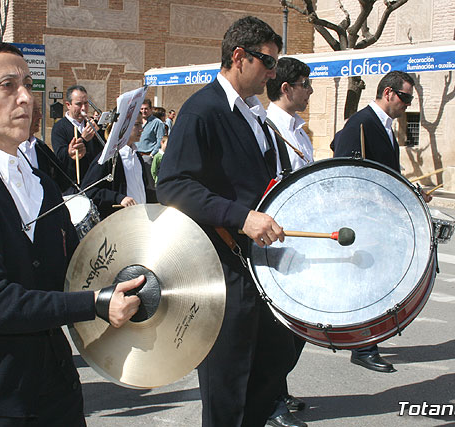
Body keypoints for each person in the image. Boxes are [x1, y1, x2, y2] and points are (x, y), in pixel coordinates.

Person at [0, 39, 142, 426]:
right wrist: (94, 303)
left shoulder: (41, 180)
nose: (25, 97)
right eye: (7, 86)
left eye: (27, 84)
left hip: (54, 391)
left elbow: (75, 269)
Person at [157, 16, 297, 427]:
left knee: (271, 371)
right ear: (239, 57)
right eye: (268, 62)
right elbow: (174, 185)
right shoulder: (203, 110)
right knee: (227, 388)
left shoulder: (255, 114)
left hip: (263, 269)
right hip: (223, 272)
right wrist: (242, 218)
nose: (273, 72)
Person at [332, 70, 431, 373]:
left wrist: (411, 190)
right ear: (388, 93)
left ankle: (365, 343)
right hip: (363, 223)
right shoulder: (361, 124)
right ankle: (363, 346)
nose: (407, 104)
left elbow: (387, 174)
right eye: (405, 97)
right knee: (365, 286)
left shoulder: (385, 127)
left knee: (375, 285)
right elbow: (344, 173)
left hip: (379, 222)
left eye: (410, 99)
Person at [263, 56, 317, 427]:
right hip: (276, 242)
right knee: (277, 330)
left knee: (296, 327)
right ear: (286, 88)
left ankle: (276, 389)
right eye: (305, 83)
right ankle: (269, 401)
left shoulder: (299, 130)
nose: (310, 90)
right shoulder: (268, 128)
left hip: (304, 239)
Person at [80, 112, 156, 219]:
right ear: (123, 127)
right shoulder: (108, 157)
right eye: (137, 124)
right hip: (119, 222)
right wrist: (118, 198)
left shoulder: (137, 156)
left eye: (141, 124)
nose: (141, 129)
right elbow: (88, 190)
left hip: (140, 219)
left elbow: (141, 189)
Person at [50, 85, 103, 186]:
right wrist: (83, 139)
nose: (83, 109)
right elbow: (60, 156)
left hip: (95, 182)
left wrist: (98, 134)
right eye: (78, 104)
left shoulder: (92, 124)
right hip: (73, 184)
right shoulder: (59, 127)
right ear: (68, 105)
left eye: (86, 103)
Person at [19, 101, 71, 192]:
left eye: (39, 111)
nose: (40, 116)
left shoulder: (41, 148)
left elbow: (62, 179)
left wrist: (70, 156)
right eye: (35, 112)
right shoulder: (8, 149)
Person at [135, 99, 165, 165]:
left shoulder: (157, 123)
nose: (143, 111)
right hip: (135, 156)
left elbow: (160, 140)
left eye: (146, 109)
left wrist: (152, 154)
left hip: (148, 157)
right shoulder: (136, 122)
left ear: (151, 109)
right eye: (141, 109)